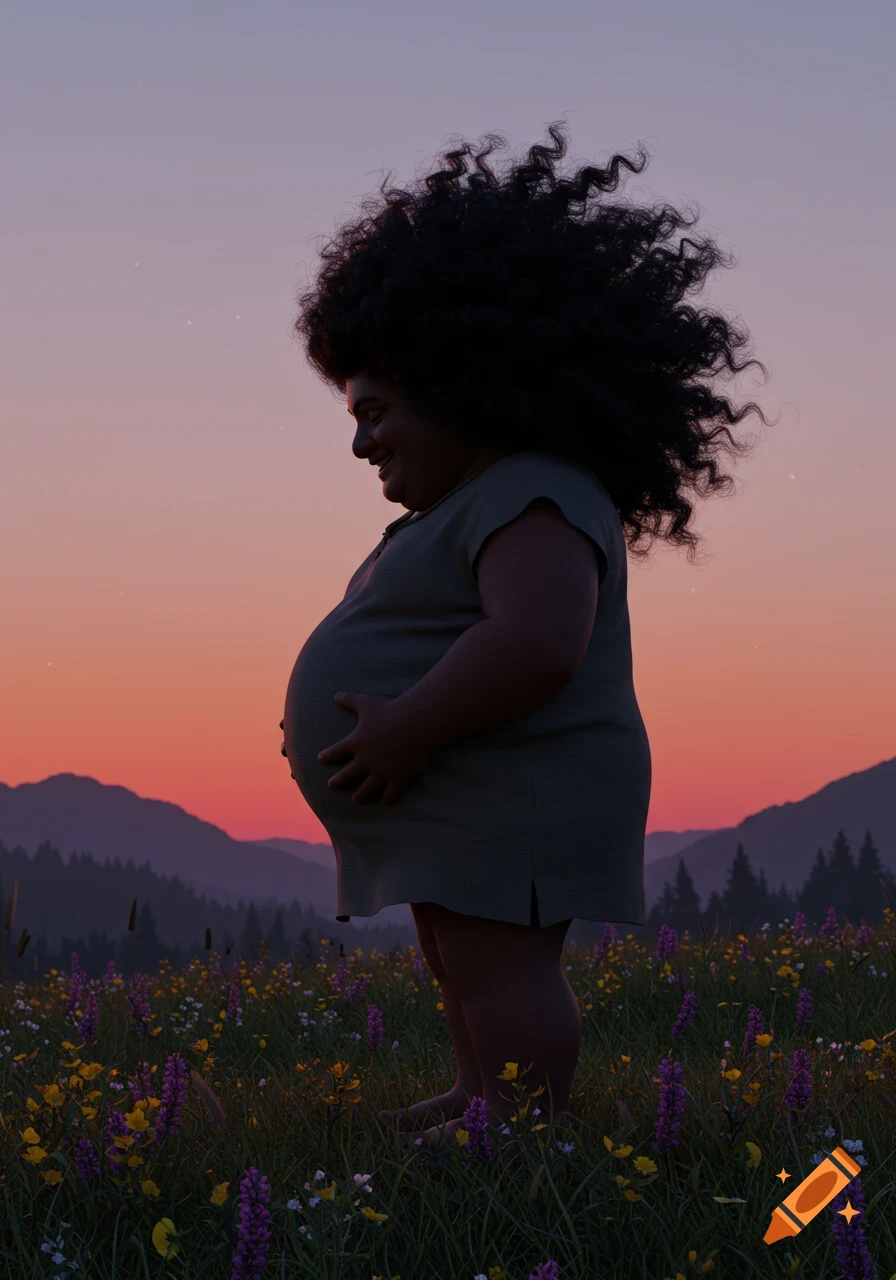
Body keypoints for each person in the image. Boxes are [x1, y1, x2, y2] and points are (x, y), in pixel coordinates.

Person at [282, 120, 774, 1150]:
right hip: (463, 789)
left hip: (520, 784)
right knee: (458, 954)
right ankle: (481, 1093)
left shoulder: (536, 493)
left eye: (375, 409)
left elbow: (539, 641)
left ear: (463, 377)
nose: (360, 441)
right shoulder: (471, 505)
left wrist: (406, 725)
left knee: (501, 963)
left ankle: (521, 1123)